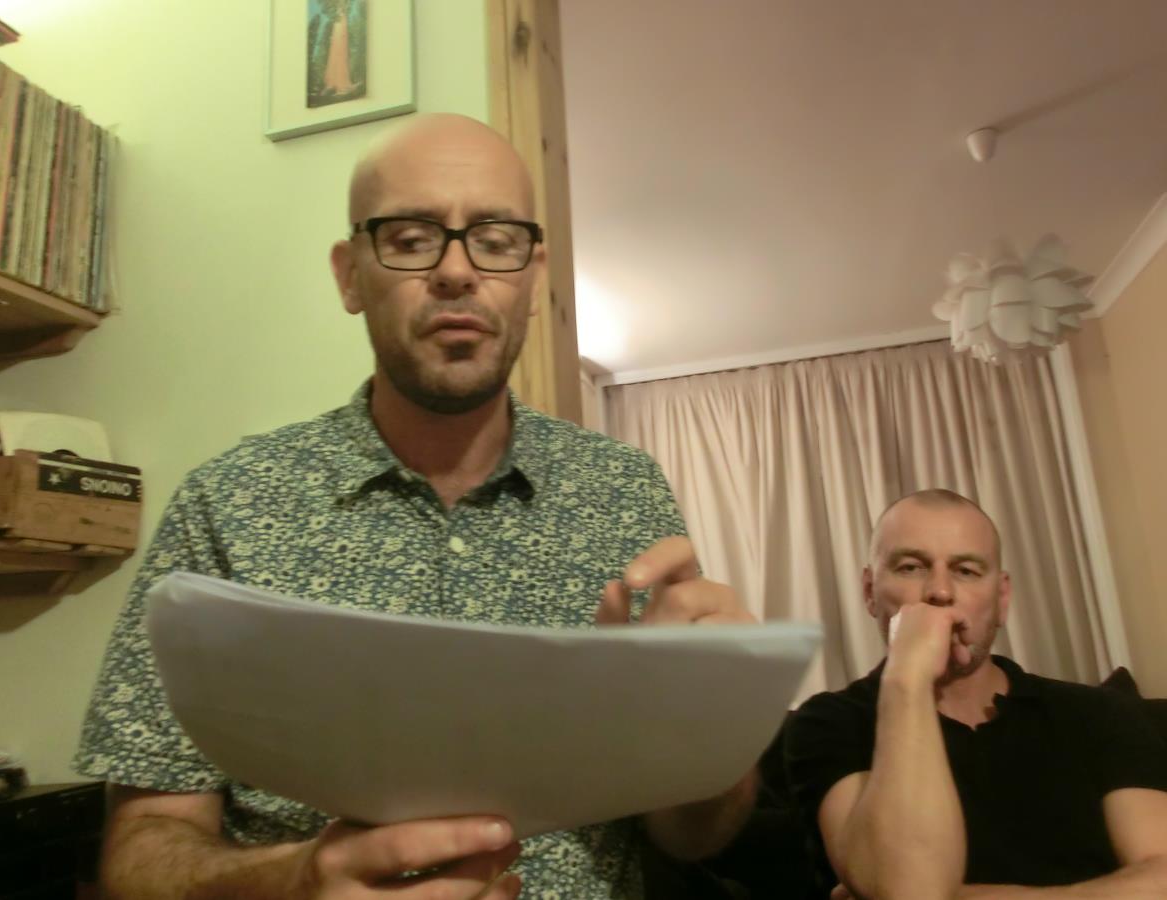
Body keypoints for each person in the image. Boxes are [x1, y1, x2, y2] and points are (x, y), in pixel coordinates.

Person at [76, 114, 758, 900]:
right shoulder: (225, 505)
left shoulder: (625, 493)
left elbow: (693, 837)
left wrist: (710, 733)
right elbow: (140, 854)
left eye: (495, 240)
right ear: (349, 276)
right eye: (410, 237)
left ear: (533, 276)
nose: (457, 271)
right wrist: (296, 881)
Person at [784, 488, 1167, 900]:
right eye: (911, 567)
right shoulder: (829, 723)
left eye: (966, 570)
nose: (940, 592)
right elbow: (909, 890)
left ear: (1001, 598)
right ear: (869, 591)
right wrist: (909, 677)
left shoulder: (1098, 712)